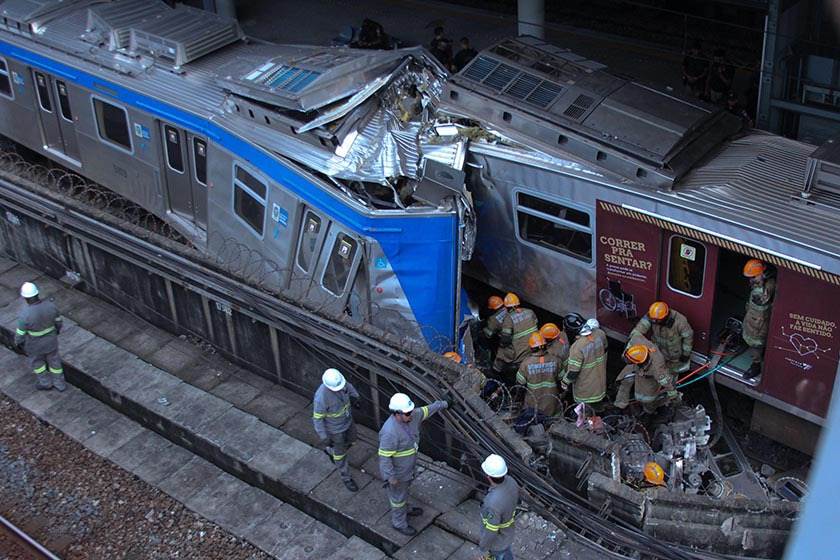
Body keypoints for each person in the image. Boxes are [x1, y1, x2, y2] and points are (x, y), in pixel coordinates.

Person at [379, 392, 448, 536]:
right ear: (397, 414)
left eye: (410, 411)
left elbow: (427, 410)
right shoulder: (389, 432)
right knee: (397, 499)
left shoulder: (411, 416)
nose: (411, 415)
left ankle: (405, 509)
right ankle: (399, 523)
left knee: (403, 494)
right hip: (398, 473)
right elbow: (384, 458)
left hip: (408, 468)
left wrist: (443, 404)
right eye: (407, 413)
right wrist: (391, 478)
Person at [313, 368, 361, 491]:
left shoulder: (341, 383)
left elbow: (348, 387)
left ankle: (330, 451)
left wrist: (355, 397)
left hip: (348, 421)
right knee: (340, 455)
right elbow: (317, 419)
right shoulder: (321, 398)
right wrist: (324, 436)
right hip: (335, 430)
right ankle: (346, 477)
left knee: (352, 440)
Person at [14, 282, 64, 391]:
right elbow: (59, 322)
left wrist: (18, 343)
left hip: (34, 345)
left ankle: (45, 383)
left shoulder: (25, 315)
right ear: (37, 294)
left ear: (25, 298)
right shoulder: (51, 306)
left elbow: (20, 334)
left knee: (38, 364)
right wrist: (56, 331)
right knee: (55, 363)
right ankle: (60, 384)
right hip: (51, 341)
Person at [614, 337, 679, 414]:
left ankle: (648, 411)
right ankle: (620, 405)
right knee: (624, 380)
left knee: (646, 398)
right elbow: (634, 336)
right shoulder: (637, 342)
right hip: (637, 366)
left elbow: (667, 383)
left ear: (640, 362)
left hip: (648, 374)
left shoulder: (657, 368)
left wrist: (673, 395)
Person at [514, 333, 561, 433]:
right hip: (552, 401)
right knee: (552, 422)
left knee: (534, 423)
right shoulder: (555, 360)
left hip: (533, 402)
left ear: (532, 348)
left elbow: (520, 386)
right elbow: (562, 381)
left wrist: (517, 401)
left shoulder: (526, 364)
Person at [629, 301, 693, 374]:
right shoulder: (652, 315)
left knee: (671, 374)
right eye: (653, 320)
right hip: (657, 351)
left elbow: (688, 337)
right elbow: (641, 327)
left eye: (657, 320)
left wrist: (686, 354)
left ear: (665, 317)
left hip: (673, 355)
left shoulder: (680, 321)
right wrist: (632, 339)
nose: (654, 322)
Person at [478, 454, 519, 560]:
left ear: (488, 476)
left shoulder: (492, 503)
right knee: (506, 554)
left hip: (499, 542)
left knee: (501, 556)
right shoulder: (511, 482)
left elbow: (491, 530)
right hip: (508, 533)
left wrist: (483, 546)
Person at [562, 318, 607, 410]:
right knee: (598, 411)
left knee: (585, 415)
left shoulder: (577, 347)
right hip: (600, 384)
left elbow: (573, 372)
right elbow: (605, 348)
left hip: (586, 391)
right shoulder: (600, 334)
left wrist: (565, 382)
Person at [742, 259, 775, 379]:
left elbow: (761, 298)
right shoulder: (760, 282)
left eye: (753, 277)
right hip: (752, 320)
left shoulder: (766, 288)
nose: (751, 280)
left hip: (759, 325)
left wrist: (760, 283)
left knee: (755, 344)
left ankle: (756, 366)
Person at [495, 293, 538, 383]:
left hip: (519, 354)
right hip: (532, 347)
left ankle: (496, 371)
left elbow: (505, 340)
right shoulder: (530, 312)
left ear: (508, 307)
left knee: (501, 352)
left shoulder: (508, 318)